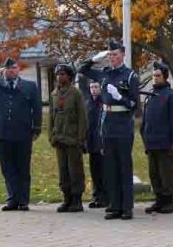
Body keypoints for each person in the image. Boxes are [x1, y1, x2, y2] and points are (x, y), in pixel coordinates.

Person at [77, 41, 139, 220]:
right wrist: (95, 59)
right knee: (109, 167)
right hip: (107, 125)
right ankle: (114, 205)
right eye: (110, 55)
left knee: (124, 167)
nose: (112, 58)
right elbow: (82, 70)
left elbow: (134, 104)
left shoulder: (129, 76)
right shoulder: (104, 74)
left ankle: (126, 207)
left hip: (122, 124)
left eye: (115, 54)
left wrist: (120, 97)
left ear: (123, 55)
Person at [0, 57, 42, 211]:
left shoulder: (29, 86)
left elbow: (37, 108)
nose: (11, 71)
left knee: (22, 166)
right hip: (2, 132)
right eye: (8, 68)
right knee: (7, 167)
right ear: (4, 70)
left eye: (14, 68)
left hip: (22, 132)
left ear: (19, 69)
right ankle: (12, 199)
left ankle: (23, 200)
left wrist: (37, 127)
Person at [141, 62, 173, 214]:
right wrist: (144, 135)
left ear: (165, 77)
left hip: (165, 142)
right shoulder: (151, 95)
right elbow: (146, 119)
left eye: (158, 76)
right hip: (151, 142)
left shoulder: (171, 96)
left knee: (166, 173)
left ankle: (168, 201)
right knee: (154, 173)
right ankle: (159, 199)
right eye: (153, 76)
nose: (155, 79)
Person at [49, 64, 88, 213]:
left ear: (69, 77)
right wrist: (51, 136)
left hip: (72, 139)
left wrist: (81, 138)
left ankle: (77, 200)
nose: (60, 77)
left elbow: (82, 117)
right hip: (59, 138)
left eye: (63, 74)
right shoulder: (54, 94)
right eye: (58, 74)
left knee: (75, 170)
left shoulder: (75, 94)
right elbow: (52, 116)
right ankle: (67, 198)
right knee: (63, 171)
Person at [85, 80, 108, 208]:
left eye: (96, 87)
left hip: (101, 141)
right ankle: (96, 196)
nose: (93, 89)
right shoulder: (88, 103)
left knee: (103, 170)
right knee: (94, 171)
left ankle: (105, 196)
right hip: (91, 142)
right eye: (91, 87)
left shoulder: (103, 102)